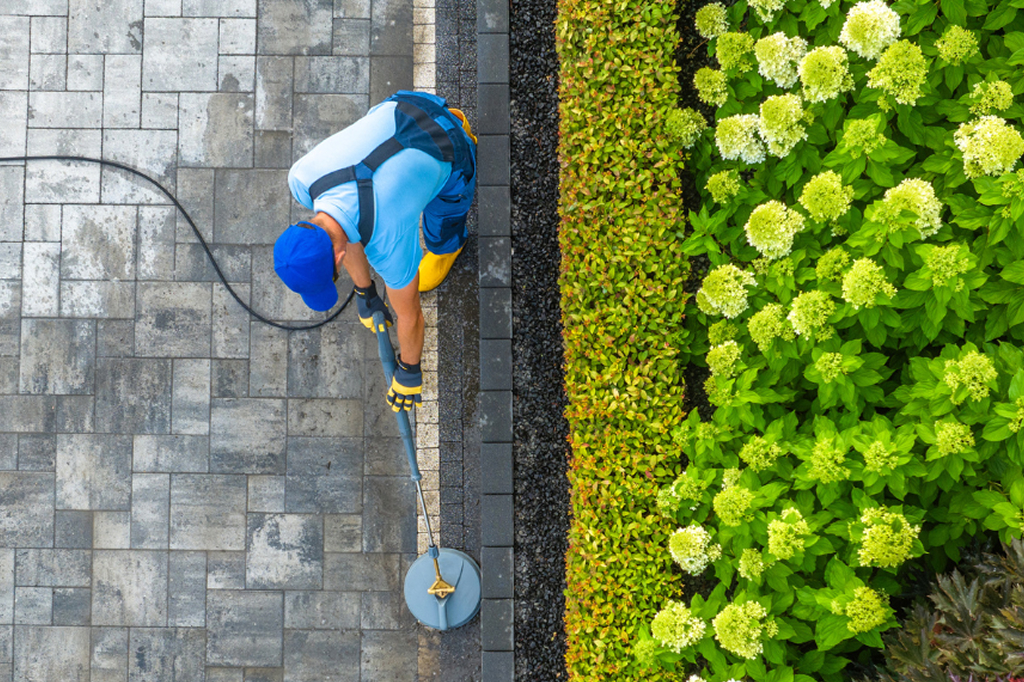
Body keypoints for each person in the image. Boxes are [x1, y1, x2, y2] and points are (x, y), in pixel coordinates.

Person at [272, 91, 477, 413]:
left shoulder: (388, 243)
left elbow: (410, 316)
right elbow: (342, 231)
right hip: (402, 104)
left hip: (449, 148)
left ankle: (461, 137)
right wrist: (364, 291)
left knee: (442, 230)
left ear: (338, 260)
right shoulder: (303, 178)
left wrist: (409, 370)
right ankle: (448, 114)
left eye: (334, 275)